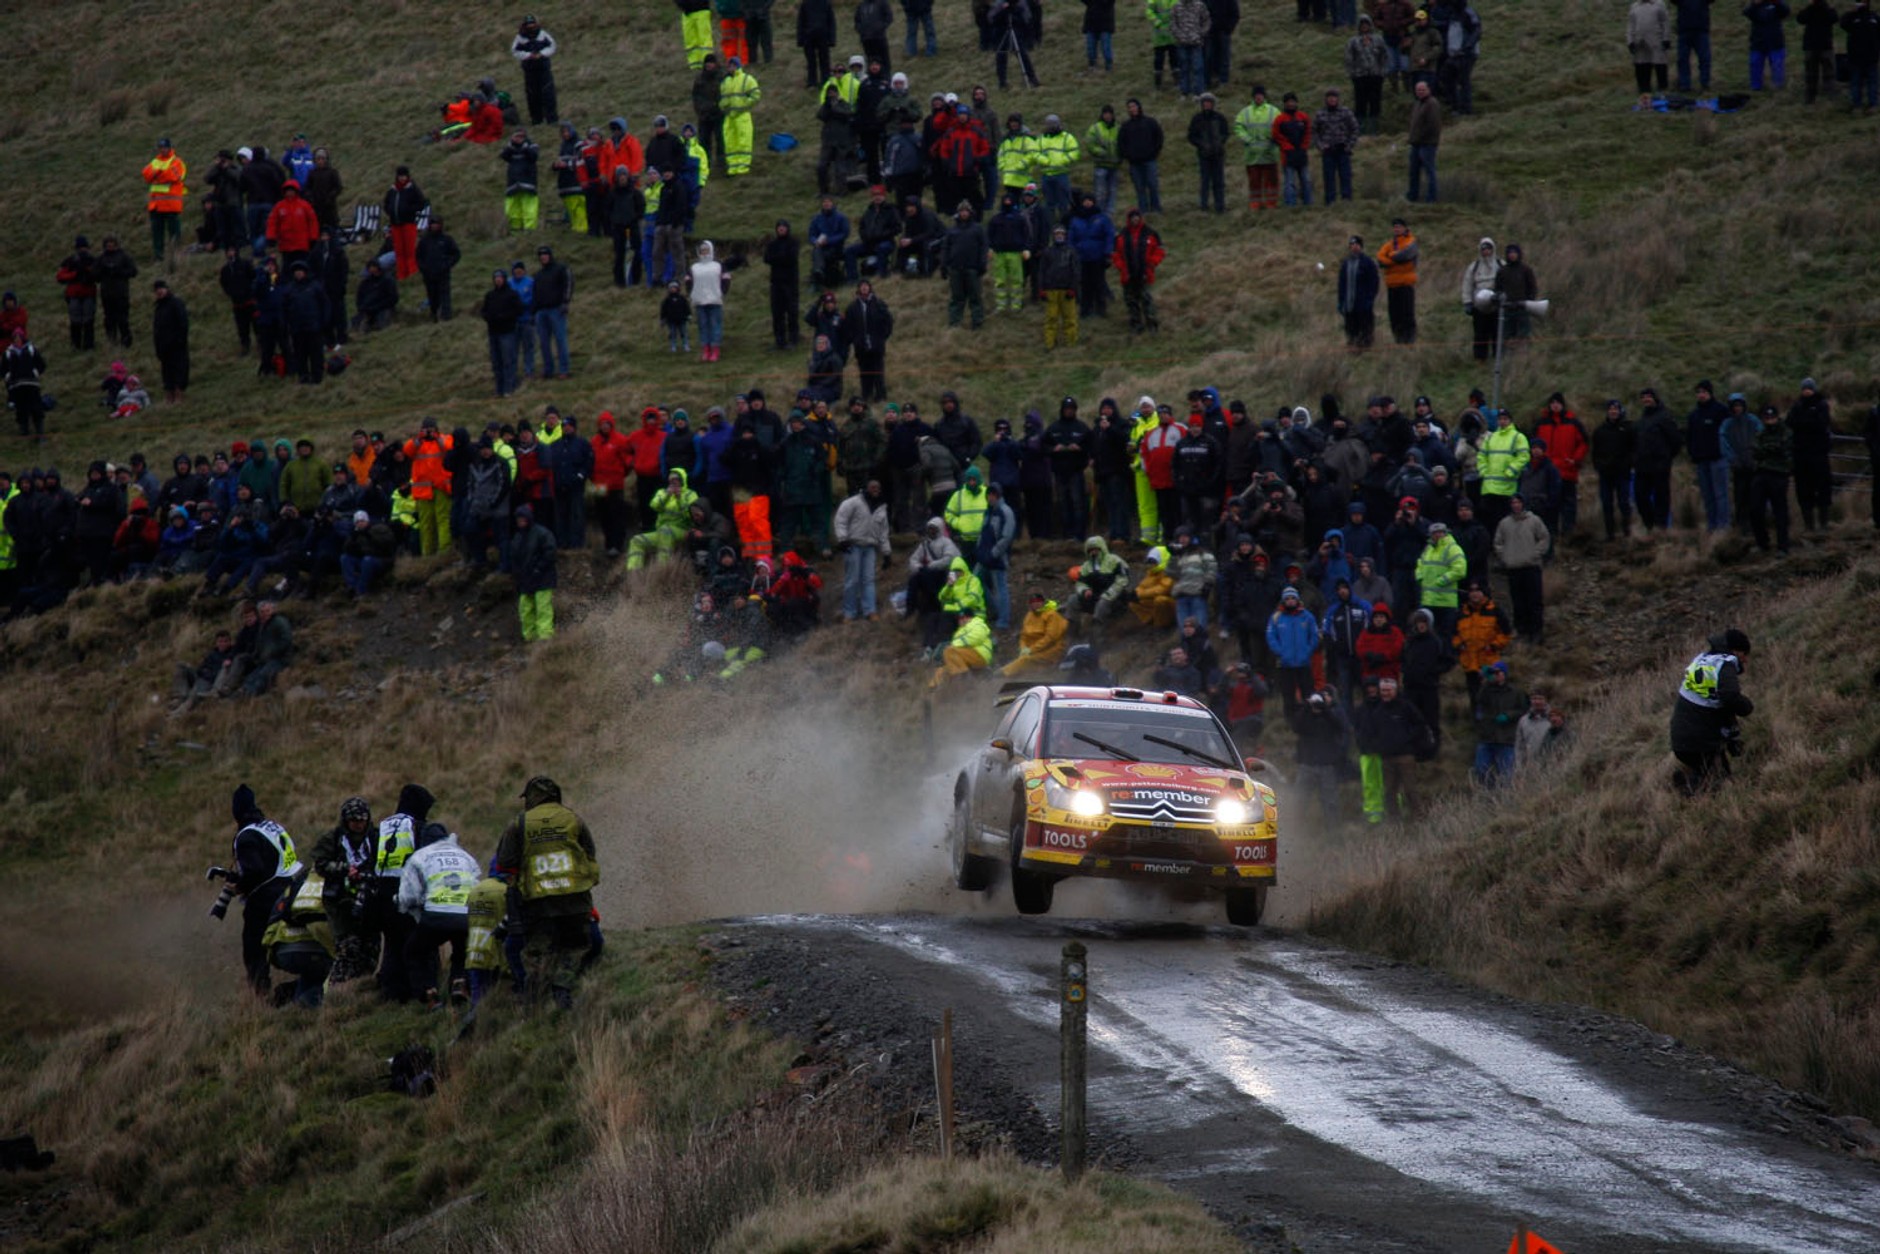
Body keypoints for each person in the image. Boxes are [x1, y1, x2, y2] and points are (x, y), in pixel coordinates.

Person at [493, 776, 599, 1009]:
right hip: (575, 899)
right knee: (577, 945)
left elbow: (504, 864)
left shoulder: (519, 824)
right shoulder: (574, 819)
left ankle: (533, 1006)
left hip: (538, 902)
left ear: (533, 797)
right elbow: (590, 854)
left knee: (536, 953)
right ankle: (562, 986)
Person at [224, 784, 300, 995]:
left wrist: (239, 886)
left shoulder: (246, 836)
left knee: (254, 949)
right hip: (291, 891)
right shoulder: (273, 827)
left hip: (264, 900)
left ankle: (260, 996)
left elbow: (255, 870)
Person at [397, 822, 481, 1008]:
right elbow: (476, 884)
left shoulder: (419, 856)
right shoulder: (465, 855)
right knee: (462, 949)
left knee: (414, 951)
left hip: (436, 915)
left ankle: (429, 994)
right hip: (465, 914)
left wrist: (406, 904)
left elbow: (408, 896)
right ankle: (459, 983)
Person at [1670, 629, 1754, 794]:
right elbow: (1730, 698)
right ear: (1736, 651)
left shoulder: (1704, 660)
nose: (1746, 660)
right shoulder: (1725, 665)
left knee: (1718, 775)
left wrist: (1731, 738)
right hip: (1697, 742)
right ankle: (1688, 788)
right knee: (1717, 786)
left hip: (1682, 738)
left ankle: (1689, 780)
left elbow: (1718, 707)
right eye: (1744, 654)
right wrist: (1747, 707)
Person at [1289, 690, 1351, 828]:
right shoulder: (1305, 717)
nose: (1316, 707)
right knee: (1299, 800)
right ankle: (1295, 830)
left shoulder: (1330, 717)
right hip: (1307, 765)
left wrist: (1325, 710)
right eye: (1314, 704)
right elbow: (1296, 726)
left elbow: (1340, 727)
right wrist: (1307, 708)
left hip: (1326, 766)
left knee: (1330, 803)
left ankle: (1334, 833)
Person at [1494, 494, 1549, 643]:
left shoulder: (1534, 520)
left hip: (1531, 567)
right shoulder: (1504, 523)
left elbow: (1544, 538)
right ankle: (1522, 630)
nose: (1516, 505)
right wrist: (1505, 557)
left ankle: (1536, 631)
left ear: (1523, 504)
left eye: (1518, 502)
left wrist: (1535, 554)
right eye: (1513, 502)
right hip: (1513, 568)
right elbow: (1498, 543)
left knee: (1534, 601)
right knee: (1518, 602)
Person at [1787, 377, 1834, 533]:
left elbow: (1821, 424)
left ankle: (1824, 524)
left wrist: (1803, 423)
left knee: (1822, 489)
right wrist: (1807, 422)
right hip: (1801, 455)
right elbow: (1790, 422)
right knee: (1803, 490)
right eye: (1804, 389)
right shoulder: (1797, 406)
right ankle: (1809, 525)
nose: (1806, 391)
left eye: (1809, 388)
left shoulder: (1821, 405)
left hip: (1818, 454)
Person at [1747, 403, 1793, 555]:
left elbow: (1783, 449)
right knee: (1755, 509)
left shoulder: (1785, 431)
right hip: (1761, 473)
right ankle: (1762, 543)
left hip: (1779, 473)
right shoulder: (1761, 433)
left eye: (1772, 417)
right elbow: (1755, 450)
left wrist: (1768, 450)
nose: (1769, 420)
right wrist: (1770, 449)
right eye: (1766, 418)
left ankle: (1783, 546)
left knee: (1780, 511)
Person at [1471, 661, 1525, 788]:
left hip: (1506, 738)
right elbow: (1478, 700)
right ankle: (1489, 792)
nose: (1495, 675)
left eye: (1498, 673)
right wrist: (1486, 680)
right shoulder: (1486, 690)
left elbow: (1523, 710)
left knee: (1506, 773)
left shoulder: (1515, 692)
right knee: (1481, 769)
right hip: (1487, 737)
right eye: (1493, 673)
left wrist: (1508, 715)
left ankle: (1504, 795)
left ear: (1504, 674)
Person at [1112, 208, 1165, 335]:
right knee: (1131, 301)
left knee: (1147, 300)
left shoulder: (1150, 233)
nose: (1135, 219)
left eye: (1137, 217)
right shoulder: (1121, 235)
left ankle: (1152, 324)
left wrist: (1152, 263)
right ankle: (1136, 325)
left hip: (1145, 273)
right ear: (1129, 219)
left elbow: (1159, 251)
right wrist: (1121, 267)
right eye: (1132, 217)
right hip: (1127, 274)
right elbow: (1115, 254)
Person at [512, 503, 557, 641]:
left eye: (523, 519)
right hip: (526, 579)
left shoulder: (542, 533)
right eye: (519, 519)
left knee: (543, 608)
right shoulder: (518, 537)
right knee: (525, 609)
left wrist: (539, 568)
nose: (521, 521)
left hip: (543, 578)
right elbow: (515, 558)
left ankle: (545, 639)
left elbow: (550, 552)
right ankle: (530, 637)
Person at [476, 270, 525, 397]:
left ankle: (510, 387)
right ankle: (499, 389)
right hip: (493, 332)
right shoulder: (490, 295)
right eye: (496, 278)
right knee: (496, 362)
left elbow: (519, 310)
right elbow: (484, 311)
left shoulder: (512, 294)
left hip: (507, 332)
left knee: (508, 360)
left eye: (500, 277)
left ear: (504, 279)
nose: (498, 280)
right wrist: (488, 317)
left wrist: (505, 317)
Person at [943, 202, 989, 329]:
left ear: (970, 212)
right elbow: (946, 248)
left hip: (973, 268)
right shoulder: (952, 230)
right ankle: (954, 323)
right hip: (955, 269)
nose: (964, 213)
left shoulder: (978, 229)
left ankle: (977, 322)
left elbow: (984, 247)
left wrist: (982, 263)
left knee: (975, 297)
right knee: (957, 297)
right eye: (961, 211)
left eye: (966, 211)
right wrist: (944, 265)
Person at [143, 138, 188, 260]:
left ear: (170, 148)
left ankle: (176, 255)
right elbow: (146, 175)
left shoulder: (177, 161)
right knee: (157, 233)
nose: (162, 150)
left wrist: (156, 174)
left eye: (164, 147)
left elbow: (174, 176)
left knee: (174, 233)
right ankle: (159, 256)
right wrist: (160, 173)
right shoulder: (155, 161)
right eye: (160, 147)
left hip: (171, 204)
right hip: (156, 205)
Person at [1377, 218, 1419, 344]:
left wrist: (1390, 257)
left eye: (1399, 226)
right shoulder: (1389, 244)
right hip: (1392, 285)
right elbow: (1380, 258)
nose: (1396, 229)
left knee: (1407, 314)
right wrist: (1394, 259)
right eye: (1395, 227)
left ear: (1405, 228)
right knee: (1394, 316)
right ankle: (1399, 341)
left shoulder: (1411, 242)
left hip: (1406, 284)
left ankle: (1410, 340)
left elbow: (1404, 255)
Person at [1119, 98, 1165, 212]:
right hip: (1134, 163)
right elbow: (1121, 143)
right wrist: (1127, 155)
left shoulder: (1150, 122)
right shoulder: (1125, 126)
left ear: (1139, 107)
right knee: (1139, 188)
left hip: (1150, 160)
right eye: (1130, 107)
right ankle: (1143, 210)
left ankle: (1156, 208)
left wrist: (1154, 152)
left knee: (1152, 185)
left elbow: (1159, 137)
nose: (1132, 109)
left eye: (1134, 106)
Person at [1337, 234, 1381, 351]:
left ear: (1361, 246)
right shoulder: (1346, 263)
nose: (1354, 247)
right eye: (1352, 245)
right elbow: (1342, 283)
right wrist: (1341, 301)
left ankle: (1366, 349)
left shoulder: (1367, 262)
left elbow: (1374, 282)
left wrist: (1370, 299)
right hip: (1349, 304)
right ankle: (1352, 348)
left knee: (1365, 328)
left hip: (1363, 303)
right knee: (1351, 329)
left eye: (1356, 244)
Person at [720, 56, 762, 177]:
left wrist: (744, 105)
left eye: (733, 65)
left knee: (744, 141)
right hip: (729, 117)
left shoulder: (747, 79)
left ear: (738, 66)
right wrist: (722, 106)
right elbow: (723, 98)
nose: (731, 68)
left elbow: (756, 95)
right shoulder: (725, 82)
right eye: (729, 65)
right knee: (730, 142)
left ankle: (743, 166)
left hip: (742, 115)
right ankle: (733, 166)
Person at [95, 236, 138, 348]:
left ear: (116, 245)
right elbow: (95, 275)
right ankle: (111, 340)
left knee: (123, 319)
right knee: (109, 319)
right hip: (107, 294)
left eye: (112, 244)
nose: (110, 247)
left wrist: (120, 272)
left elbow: (133, 271)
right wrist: (104, 272)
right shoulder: (101, 258)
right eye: (108, 245)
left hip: (121, 293)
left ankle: (126, 341)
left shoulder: (124, 256)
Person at [151, 279, 190, 403]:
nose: (159, 292)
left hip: (177, 345)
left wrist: (180, 340)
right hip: (164, 347)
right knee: (167, 372)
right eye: (157, 290)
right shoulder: (158, 308)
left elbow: (183, 323)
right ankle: (169, 395)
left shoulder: (176, 303)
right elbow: (156, 329)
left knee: (179, 369)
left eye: (161, 289)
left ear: (166, 289)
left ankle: (179, 394)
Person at [415, 218, 461, 322]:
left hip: (443, 273)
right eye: (433, 224)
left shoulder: (447, 239)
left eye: (437, 224)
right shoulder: (424, 241)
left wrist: (447, 265)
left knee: (445, 295)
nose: (435, 226)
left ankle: (446, 317)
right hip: (429, 274)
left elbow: (456, 254)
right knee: (432, 296)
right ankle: (434, 315)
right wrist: (423, 268)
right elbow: (418, 257)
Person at [3, 330, 47, 438]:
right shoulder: (8, 352)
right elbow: (3, 368)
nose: (17, 340)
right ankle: (24, 430)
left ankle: (39, 429)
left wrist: (35, 372)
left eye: (19, 337)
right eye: (15, 338)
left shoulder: (31, 349)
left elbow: (41, 364)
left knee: (36, 406)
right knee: (21, 408)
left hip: (32, 383)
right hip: (16, 385)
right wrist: (8, 376)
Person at [1406, 80, 1441, 203]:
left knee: (1429, 171)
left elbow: (1433, 125)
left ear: (1428, 90)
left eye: (1422, 90)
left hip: (1427, 144)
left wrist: (1420, 137)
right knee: (1413, 172)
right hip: (1416, 144)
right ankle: (1412, 196)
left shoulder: (1432, 104)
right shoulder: (1418, 104)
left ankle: (1431, 198)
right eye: (1418, 90)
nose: (1420, 92)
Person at [1744, 0, 1791, 90]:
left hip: (1775, 41)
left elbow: (1786, 12)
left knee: (1777, 64)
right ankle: (1756, 86)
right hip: (1758, 41)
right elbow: (1747, 13)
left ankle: (1778, 85)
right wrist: (1754, 4)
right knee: (1755, 63)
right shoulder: (1755, 4)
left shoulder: (1776, 3)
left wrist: (1777, 2)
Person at [1628, 0, 1673, 92]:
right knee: (1641, 64)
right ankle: (1644, 88)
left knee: (1660, 63)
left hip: (1656, 38)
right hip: (1639, 40)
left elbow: (1665, 22)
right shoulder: (1634, 6)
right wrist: (1630, 41)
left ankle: (1662, 88)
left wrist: (1666, 38)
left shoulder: (1659, 4)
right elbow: (1631, 25)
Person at [1848, 0, 1880, 111]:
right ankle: (1857, 105)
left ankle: (1873, 104)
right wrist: (1852, 12)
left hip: (1871, 56)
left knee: (1871, 82)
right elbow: (1843, 24)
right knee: (1856, 82)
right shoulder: (1853, 17)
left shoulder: (1874, 17)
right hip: (1856, 57)